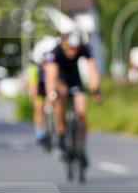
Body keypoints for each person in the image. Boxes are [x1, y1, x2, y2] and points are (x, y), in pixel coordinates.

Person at [43, 31, 103, 170]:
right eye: (70, 48)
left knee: (81, 112)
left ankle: (81, 148)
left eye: (76, 49)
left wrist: (95, 90)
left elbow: (92, 70)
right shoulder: (56, 52)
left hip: (75, 79)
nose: (73, 52)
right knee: (60, 95)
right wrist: (51, 94)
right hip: (60, 79)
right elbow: (51, 77)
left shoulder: (85, 48)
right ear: (64, 45)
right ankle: (61, 132)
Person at [27, 37, 54, 151]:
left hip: (50, 86)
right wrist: (33, 98)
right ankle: (40, 133)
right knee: (39, 108)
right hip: (40, 87)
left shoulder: (54, 66)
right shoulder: (35, 68)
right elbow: (33, 86)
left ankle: (57, 127)